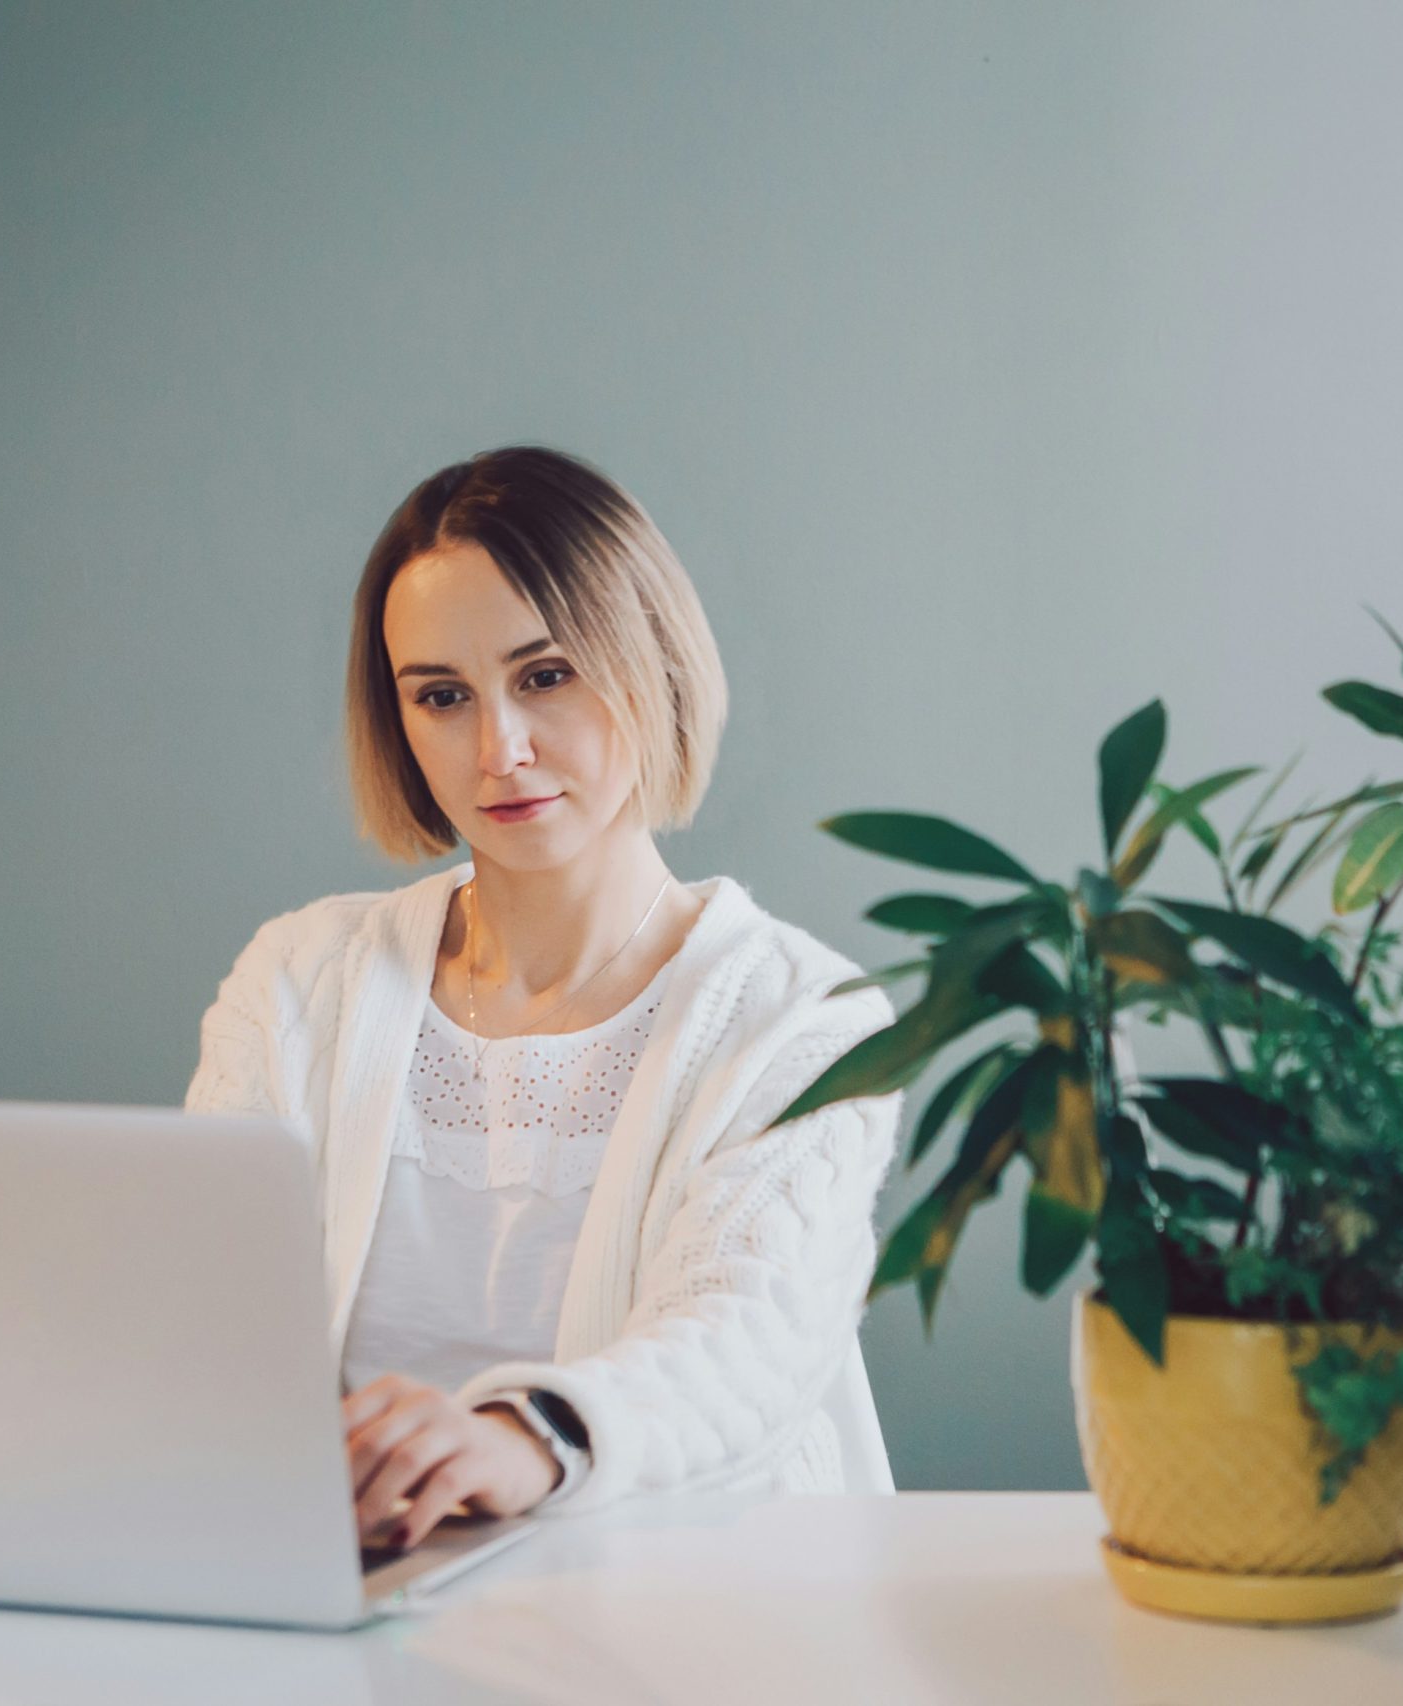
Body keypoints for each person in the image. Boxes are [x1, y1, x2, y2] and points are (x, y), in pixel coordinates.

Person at [182, 445, 906, 1554]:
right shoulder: (297, 980)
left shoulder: (798, 1015)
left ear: (648, 663)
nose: (498, 749)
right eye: (441, 695)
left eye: (545, 674)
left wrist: (524, 1438)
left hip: (698, 1621)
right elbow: (202, 1326)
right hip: (351, 1610)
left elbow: (749, 1332)